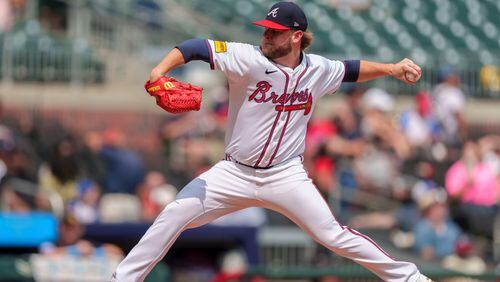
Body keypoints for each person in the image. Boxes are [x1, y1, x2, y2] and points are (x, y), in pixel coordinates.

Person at [112, 2, 431, 281]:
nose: (266, 35)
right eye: (265, 29)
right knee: (174, 214)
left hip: (285, 175)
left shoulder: (317, 68)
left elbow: (351, 69)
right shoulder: (247, 58)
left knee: (333, 235)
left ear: (296, 36)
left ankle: (410, 278)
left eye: (274, 31)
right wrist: (160, 69)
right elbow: (196, 47)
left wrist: (392, 68)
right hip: (233, 173)